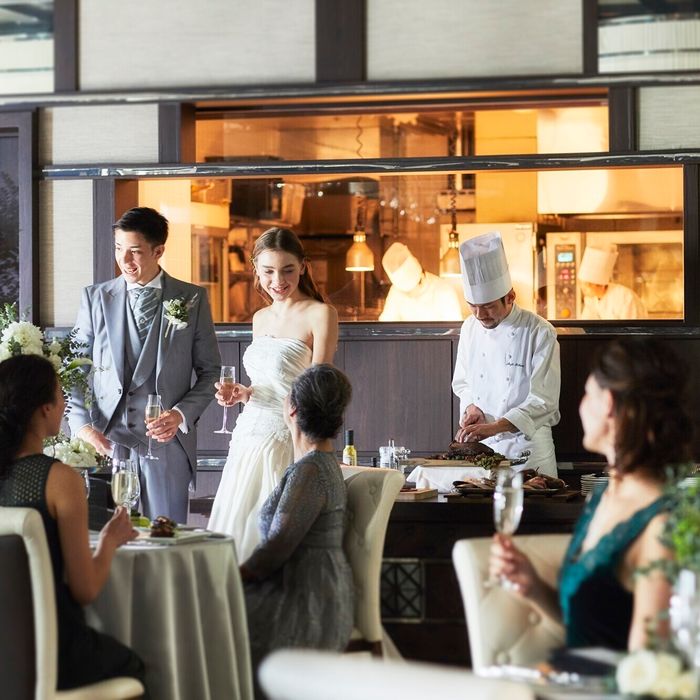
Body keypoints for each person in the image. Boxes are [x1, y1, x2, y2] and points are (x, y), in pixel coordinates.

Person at [490, 338, 691, 650]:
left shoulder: (660, 525)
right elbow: (593, 625)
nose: (581, 406)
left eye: (587, 394)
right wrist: (534, 588)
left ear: (607, 403)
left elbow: (645, 667)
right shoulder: (605, 495)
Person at [0, 354, 147, 692]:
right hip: (52, 649)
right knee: (134, 664)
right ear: (45, 408)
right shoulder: (58, 479)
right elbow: (86, 589)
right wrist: (110, 539)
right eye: (60, 394)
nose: (65, 403)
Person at [68, 206, 221, 523]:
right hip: (106, 441)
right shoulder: (95, 298)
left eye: (135, 251)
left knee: (164, 537)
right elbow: (74, 369)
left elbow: (211, 373)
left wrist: (180, 415)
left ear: (158, 250)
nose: (124, 260)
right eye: (118, 248)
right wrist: (83, 428)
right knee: (107, 540)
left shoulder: (192, 298)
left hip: (166, 444)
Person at [208, 227, 338, 561]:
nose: (277, 281)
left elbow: (318, 384)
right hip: (248, 432)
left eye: (287, 270)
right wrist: (242, 393)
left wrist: (301, 436)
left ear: (303, 267)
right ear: (256, 270)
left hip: (285, 434)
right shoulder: (260, 318)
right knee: (237, 517)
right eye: (268, 271)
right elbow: (266, 382)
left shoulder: (320, 313)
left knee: (271, 522)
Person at [241, 364, 354, 695]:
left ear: (291, 409)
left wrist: (229, 576)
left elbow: (276, 548)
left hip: (306, 601)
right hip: (319, 588)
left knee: (208, 619)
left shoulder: (310, 471)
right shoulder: (319, 464)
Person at [452, 232, 561, 477]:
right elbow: (462, 383)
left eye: (488, 306)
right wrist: (471, 407)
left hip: (528, 452)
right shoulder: (469, 327)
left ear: (510, 297)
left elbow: (543, 401)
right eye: (473, 306)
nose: (480, 315)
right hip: (485, 451)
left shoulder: (540, 332)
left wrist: (495, 427)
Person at [379, 242, 462, 322]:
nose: (408, 295)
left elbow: (454, 328)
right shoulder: (396, 290)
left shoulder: (444, 290)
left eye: (409, 291)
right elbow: (386, 323)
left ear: (421, 279)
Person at [579, 243, 647, 320]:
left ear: (601, 285)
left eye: (587, 285)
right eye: (582, 284)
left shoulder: (624, 297)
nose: (583, 289)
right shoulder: (591, 299)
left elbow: (631, 325)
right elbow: (587, 321)